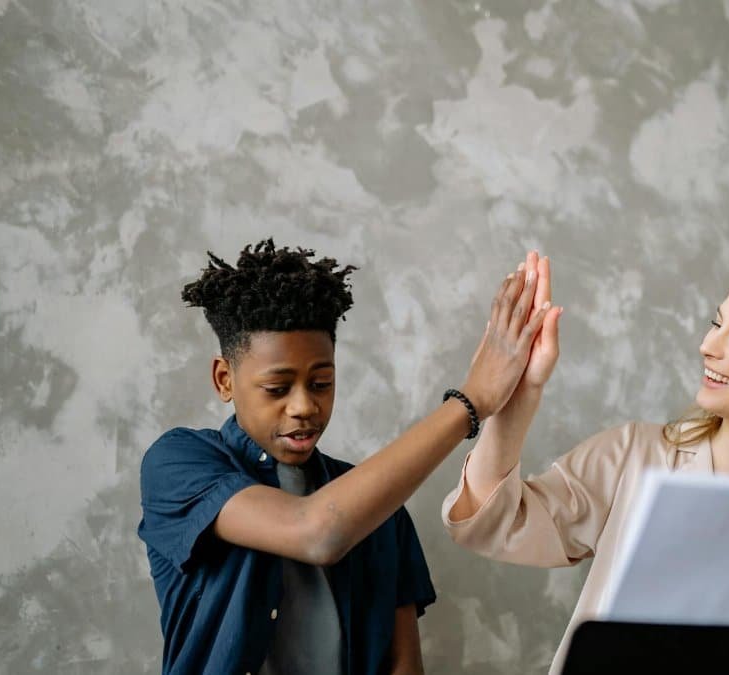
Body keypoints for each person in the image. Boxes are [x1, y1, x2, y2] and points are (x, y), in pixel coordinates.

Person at [442, 255, 729, 675]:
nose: (707, 346)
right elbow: (491, 524)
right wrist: (517, 398)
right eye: (716, 324)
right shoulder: (635, 458)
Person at [138, 240, 555, 675]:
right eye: (277, 389)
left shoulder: (381, 510)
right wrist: (470, 402)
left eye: (321, 383)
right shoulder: (177, 463)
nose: (303, 406)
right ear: (225, 379)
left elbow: (404, 665)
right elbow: (316, 531)